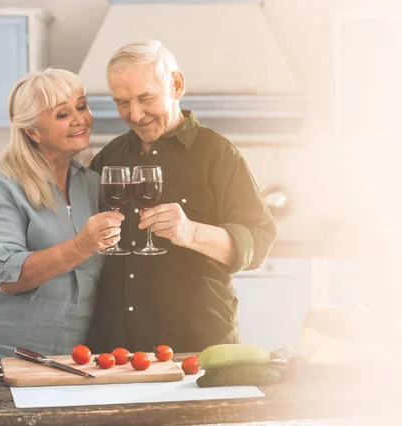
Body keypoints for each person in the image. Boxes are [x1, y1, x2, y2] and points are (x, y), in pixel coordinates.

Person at [88, 40, 276, 354]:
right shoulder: (109, 157)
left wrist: (190, 232)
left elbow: (258, 242)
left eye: (145, 98)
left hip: (196, 348)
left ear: (176, 85)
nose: (134, 114)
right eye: (121, 102)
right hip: (115, 350)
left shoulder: (217, 154)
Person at [0, 69, 124, 359]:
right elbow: (9, 278)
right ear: (32, 131)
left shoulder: (91, 183)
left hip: (64, 357)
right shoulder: (2, 187)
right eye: (62, 114)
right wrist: (81, 245)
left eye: (82, 106)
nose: (80, 119)